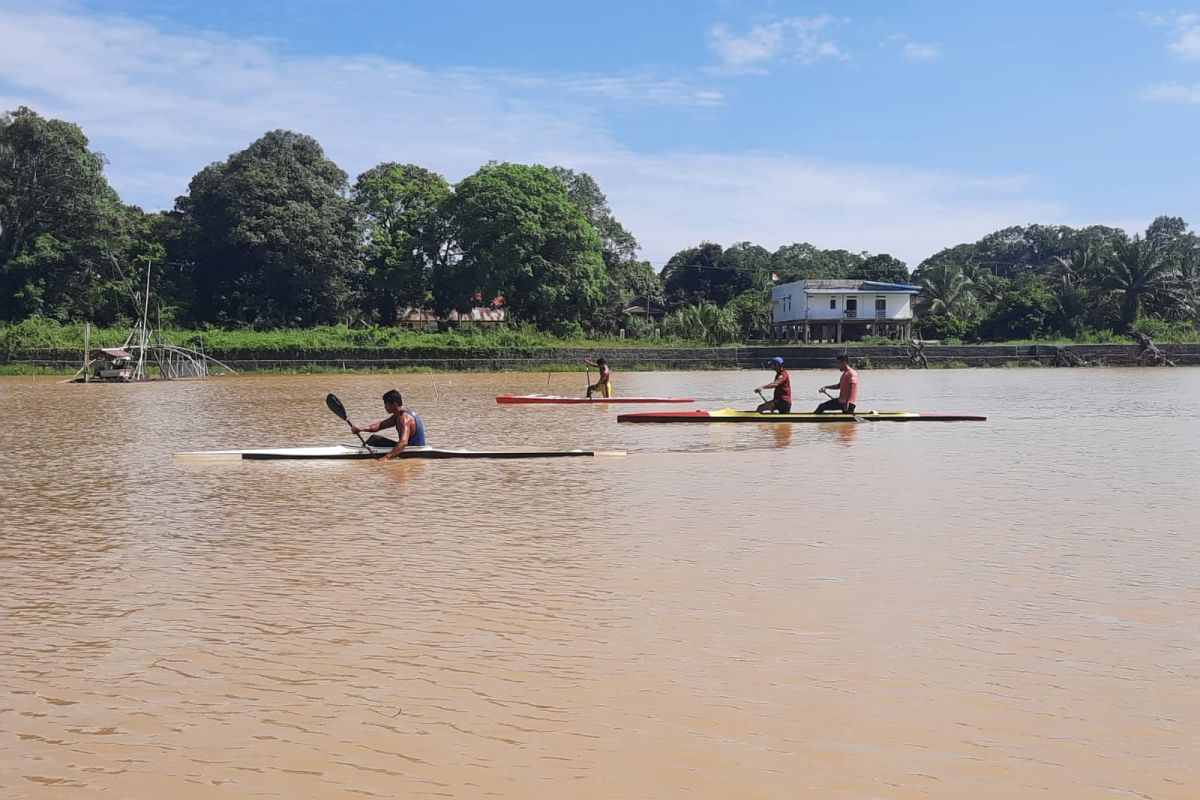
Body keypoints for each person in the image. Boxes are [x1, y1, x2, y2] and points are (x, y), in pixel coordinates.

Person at [351, 389, 427, 460]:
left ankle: (360, 453)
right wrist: (361, 428)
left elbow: (403, 442)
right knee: (374, 439)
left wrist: (387, 458)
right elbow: (380, 425)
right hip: (407, 447)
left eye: (386, 404)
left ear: (395, 405)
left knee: (373, 441)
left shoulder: (404, 418)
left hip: (413, 449)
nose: (385, 407)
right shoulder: (399, 412)